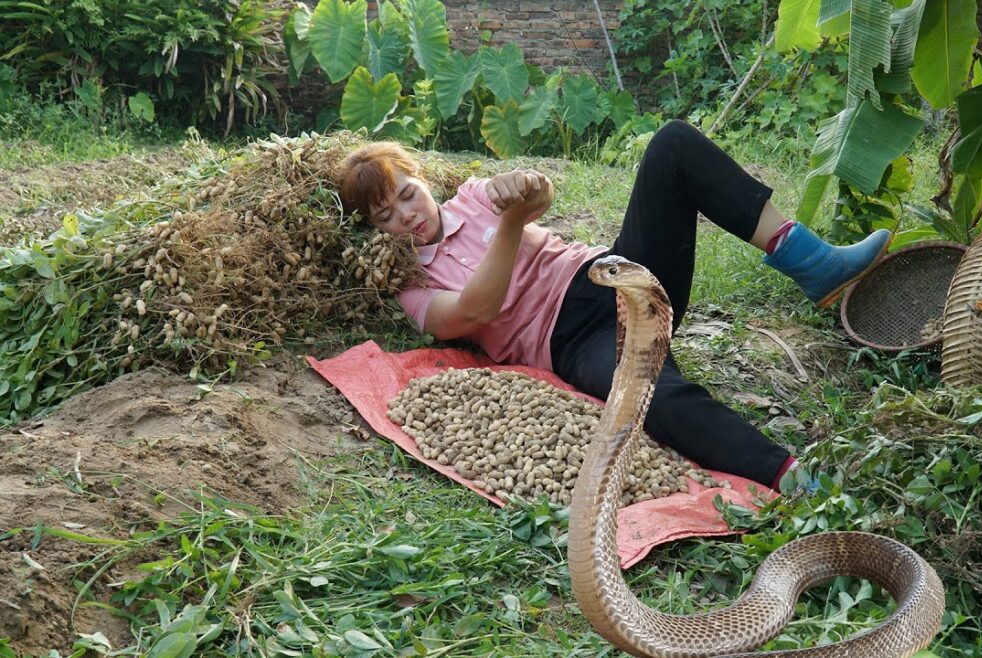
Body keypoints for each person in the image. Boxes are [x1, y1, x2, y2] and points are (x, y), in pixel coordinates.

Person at [337, 120, 891, 491]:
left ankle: (812, 261)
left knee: (673, 143)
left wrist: (527, 185)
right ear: (374, 230)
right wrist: (511, 224)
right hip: (574, 342)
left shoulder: (474, 196)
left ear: (423, 179)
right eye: (386, 216)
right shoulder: (411, 284)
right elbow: (476, 311)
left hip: (616, 274)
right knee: (649, 396)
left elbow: (539, 196)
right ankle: (792, 477)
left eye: (408, 194)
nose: (407, 215)